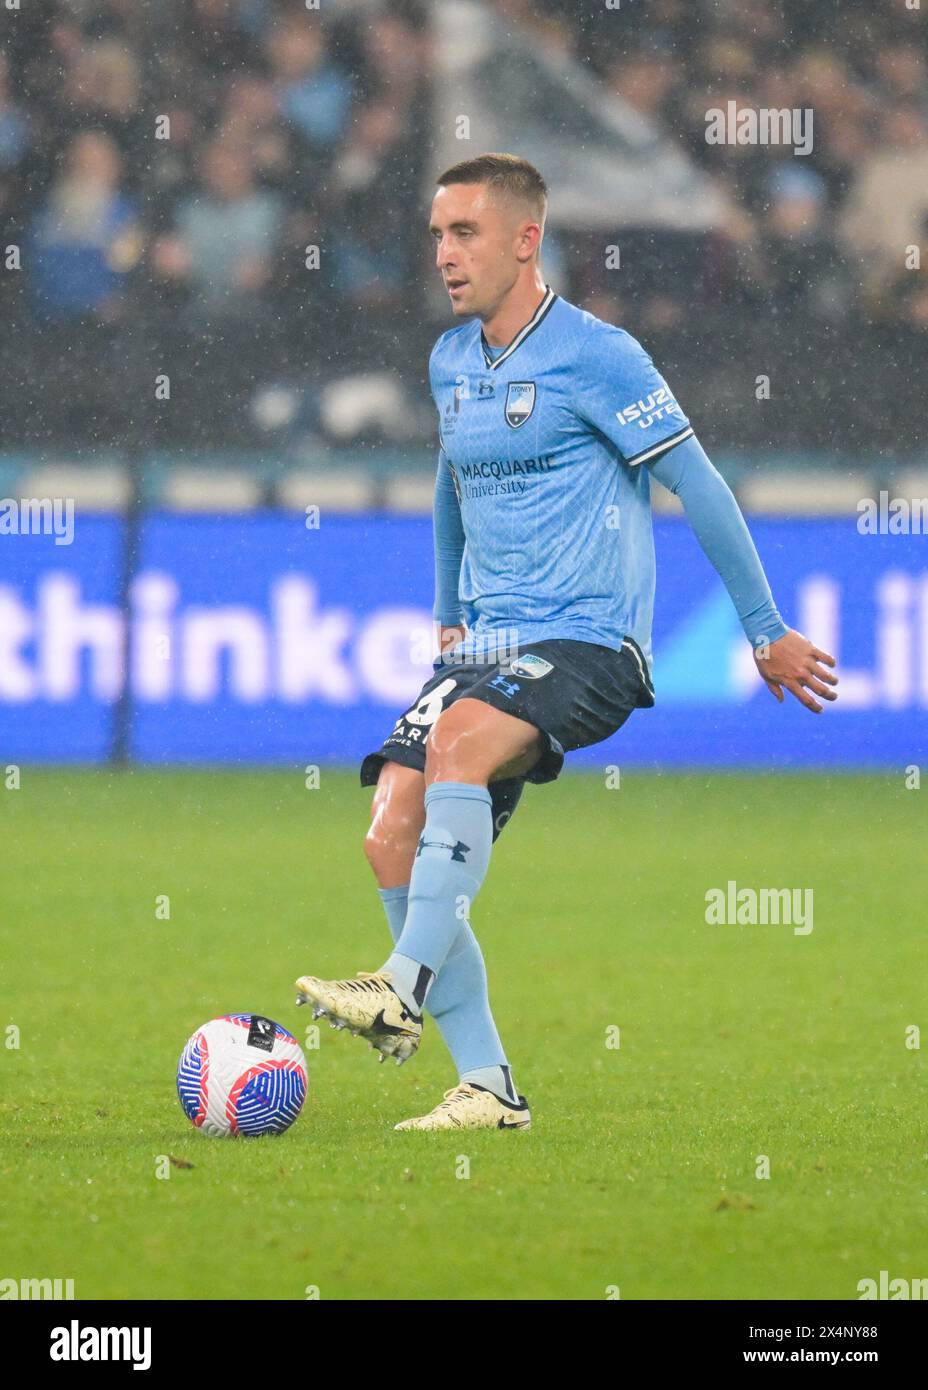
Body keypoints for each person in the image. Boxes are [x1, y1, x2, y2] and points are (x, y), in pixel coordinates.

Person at [294, 154, 839, 1132]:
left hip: (589, 641)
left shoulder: (599, 355)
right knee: (390, 827)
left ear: (524, 238)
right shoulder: (450, 360)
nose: (444, 255)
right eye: (435, 234)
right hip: (485, 646)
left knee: (458, 743)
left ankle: (399, 987)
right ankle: (489, 1086)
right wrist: (448, 606)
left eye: (463, 233)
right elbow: (450, 486)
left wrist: (765, 630)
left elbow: (699, 483)